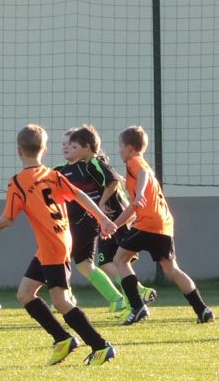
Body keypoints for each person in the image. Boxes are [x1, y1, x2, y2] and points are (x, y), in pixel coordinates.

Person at [0, 124, 119, 366]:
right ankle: (62, 339)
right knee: (25, 294)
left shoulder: (18, 183)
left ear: (19, 150)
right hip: (56, 242)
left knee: (61, 302)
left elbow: (8, 220)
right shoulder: (53, 174)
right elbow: (80, 195)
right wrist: (102, 218)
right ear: (45, 150)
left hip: (53, 246)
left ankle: (100, 346)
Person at [111, 126, 213, 325]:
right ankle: (202, 309)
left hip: (148, 224)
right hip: (162, 224)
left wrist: (139, 193)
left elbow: (142, 175)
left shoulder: (135, 162)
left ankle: (137, 306)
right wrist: (114, 225)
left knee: (120, 259)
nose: (119, 150)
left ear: (130, 148)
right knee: (171, 269)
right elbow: (133, 208)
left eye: (121, 146)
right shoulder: (143, 167)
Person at [55, 125, 156, 316]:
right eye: (63, 144)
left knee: (102, 262)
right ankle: (127, 298)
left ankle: (127, 298)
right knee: (94, 264)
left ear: (84, 146)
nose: (66, 148)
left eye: (71, 144)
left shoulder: (90, 165)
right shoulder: (61, 171)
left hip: (97, 222)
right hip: (93, 223)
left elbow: (112, 180)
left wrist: (103, 204)